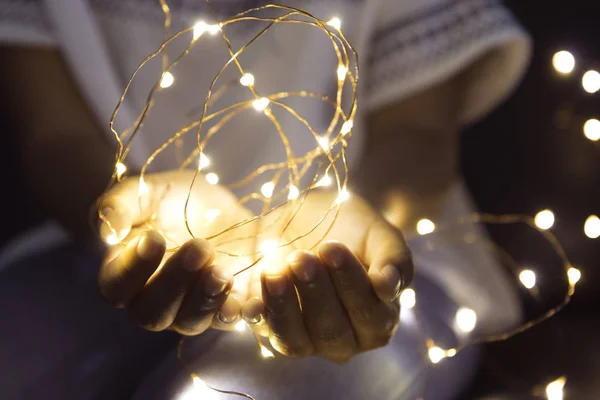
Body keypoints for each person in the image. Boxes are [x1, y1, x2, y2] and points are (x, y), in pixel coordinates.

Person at [0, 0, 531, 399]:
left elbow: (416, 133)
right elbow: (53, 137)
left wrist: (361, 216)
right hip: (95, 259)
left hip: (401, 285)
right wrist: (123, 217)